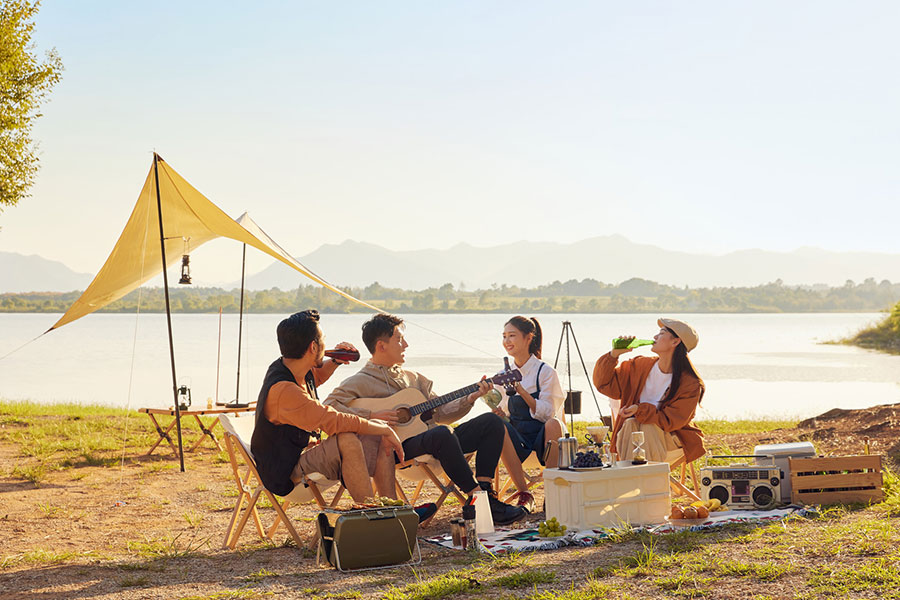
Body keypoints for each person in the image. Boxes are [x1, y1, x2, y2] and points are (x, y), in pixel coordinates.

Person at [324, 313, 527, 525]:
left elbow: (443, 413)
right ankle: (481, 500)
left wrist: (471, 397)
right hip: (397, 450)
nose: (406, 344)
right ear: (381, 346)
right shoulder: (360, 381)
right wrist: (371, 416)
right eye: (400, 340)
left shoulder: (414, 378)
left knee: (490, 422)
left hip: (436, 442)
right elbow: (329, 407)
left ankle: (484, 497)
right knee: (441, 433)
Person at [250, 310, 420, 515]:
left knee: (376, 439)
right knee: (347, 438)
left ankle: (393, 511)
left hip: (302, 454)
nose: (325, 345)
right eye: (322, 340)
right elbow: (333, 419)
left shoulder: (292, 368)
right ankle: (372, 516)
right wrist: (383, 428)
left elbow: (315, 378)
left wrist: (336, 361)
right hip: (285, 471)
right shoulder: (284, 391)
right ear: (313, 347)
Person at [592, 317, 705, 464]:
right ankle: (639, 480)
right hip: (636, 433)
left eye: (662, 333)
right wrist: (614, 354)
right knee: (630, 424)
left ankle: (639, 480)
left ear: (675, 342)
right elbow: (604, 384)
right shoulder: (639, 366)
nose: (655, 337)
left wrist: (639, 409)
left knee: (648, 426)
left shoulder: (690, 383)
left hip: (672, 437)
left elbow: (671, 421)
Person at [490, 316, 566, 509]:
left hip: (544, 436)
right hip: (519, 437)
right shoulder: (502, 375)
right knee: (495, 425)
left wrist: (522, 391)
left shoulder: (546, 371)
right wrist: (499, 413)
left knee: (554, 423)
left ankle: (553, 491)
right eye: (504, 336)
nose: (507, 341)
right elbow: (507, 412)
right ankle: (524, 493)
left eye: (512, 335)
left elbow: (549, 413)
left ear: (528, 337)